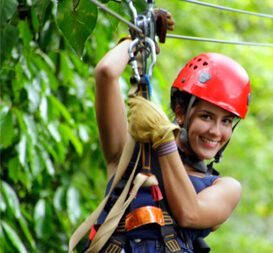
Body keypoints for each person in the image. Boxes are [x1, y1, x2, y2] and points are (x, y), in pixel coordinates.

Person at [93, 37, 251, 252]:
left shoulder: (225, 188)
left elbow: (189, 213)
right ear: (180, 114)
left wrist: (164, 136)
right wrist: (137, 39)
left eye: (226, 121)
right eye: (206, 117)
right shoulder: (130, 157)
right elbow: (105, 73)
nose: (215, 131)